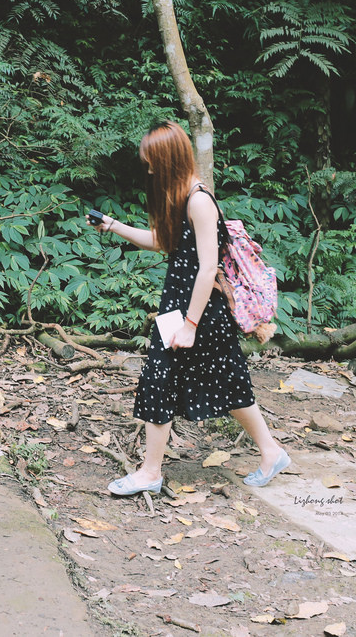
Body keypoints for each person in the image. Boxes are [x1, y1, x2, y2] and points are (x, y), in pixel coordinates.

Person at [90, 120, 289, 496]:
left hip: (200, 313)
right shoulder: (178, 194)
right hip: (177, 308)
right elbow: (162, 242)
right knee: (225, 382)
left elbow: (208, 267)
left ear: (167, 159)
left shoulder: (199, 200)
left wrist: (191, 324)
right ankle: (271, 452)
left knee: (159, 380)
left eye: (152, 160)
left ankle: (151, 473)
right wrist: (113, 225)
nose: (147, 167)